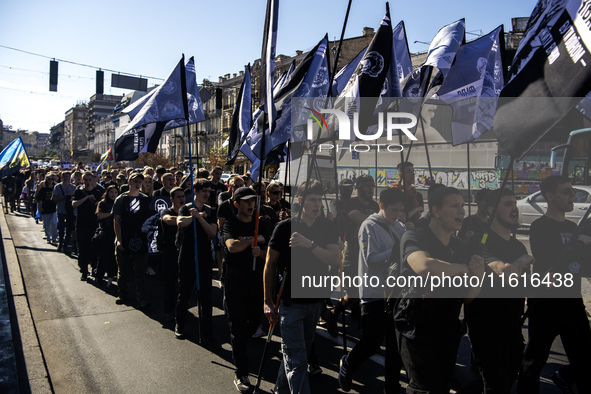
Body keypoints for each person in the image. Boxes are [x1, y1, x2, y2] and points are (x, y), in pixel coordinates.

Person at [394, 186, 484, 393]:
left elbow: (467, 299)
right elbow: (425, 267)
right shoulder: (415, 236)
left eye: (462, 206)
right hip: (416, 329)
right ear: (436, 211)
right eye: (454, 206)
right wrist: (462, 269)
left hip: (447, 330)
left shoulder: (460, 247)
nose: (462, 211)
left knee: (442, 386)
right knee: (425, 388)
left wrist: (478, 277)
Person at [264, 180, 339, 394]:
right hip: (290, 303)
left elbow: (335, 259)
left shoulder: (327, 226)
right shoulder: (285, 227)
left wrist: (310, 244)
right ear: (300, 201)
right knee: (297, 359)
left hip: (315, 300)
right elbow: (269, 266)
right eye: (312, 200)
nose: (317, 204)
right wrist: (267, 301)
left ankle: (280, 389)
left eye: (319, 199)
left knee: (297, 354)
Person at [518, 175, 591, 394]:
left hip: (572, 301)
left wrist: (584, 250)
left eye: (572, 191)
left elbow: (583, 267)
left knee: (586, 360)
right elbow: (552, 262)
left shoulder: (574, 227)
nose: (572, 195)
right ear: (550, 196)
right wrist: (578, 249)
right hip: (546, 302)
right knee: (534, 360)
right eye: (566, 191)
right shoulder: (540, 227)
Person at [338, 187, 406, 393]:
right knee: (372, 342)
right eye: (394, 210)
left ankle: (391, 388)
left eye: (401, 210)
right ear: (382, 206)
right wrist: (393, 252)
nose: (397, 214)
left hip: (394, 293)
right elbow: (371, 259)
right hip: (373, 293)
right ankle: (348, 364)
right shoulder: (369, 226)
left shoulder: (400, 226)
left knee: (395, 347)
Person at [465, 188, 533, 393]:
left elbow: (526, 284)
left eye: (515, 204)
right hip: (487, 329)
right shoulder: (481, 239)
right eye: (508, 204)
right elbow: (502, 272)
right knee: (495, 383)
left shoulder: (518, 246)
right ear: (492, 209)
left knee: (509, 376)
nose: (514, 209)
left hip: (512, 327)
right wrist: (523, 261)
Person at [222, 187, 268, 393]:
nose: (251, 204)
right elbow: (232, 246)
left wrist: (261, 252)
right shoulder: (231, 223)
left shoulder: (262, 222)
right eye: (247, 201)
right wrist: (252, 240)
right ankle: (242, 372)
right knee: (238, 329)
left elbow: (270, 254)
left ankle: (240, 345)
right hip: (234, 282)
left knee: (254, 323)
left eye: (253, 201)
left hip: (256, 282)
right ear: (236, 204)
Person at [175, 178, 219, 349]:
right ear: (196, 192)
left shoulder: (210, 211)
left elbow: (212, 232)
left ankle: (207, 333)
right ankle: (180, 324)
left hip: (204, 256)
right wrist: (192, 216)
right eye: (203, 191)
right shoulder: (186, 208)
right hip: (187, 255)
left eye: (209, 191)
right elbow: (180, 223)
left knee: (206, 297)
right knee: (184, 292)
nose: (207, 194)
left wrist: (200, 218)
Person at [334, 174, 380, 319]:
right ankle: (332, 314)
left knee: (365, 290)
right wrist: (377, 221)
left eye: (372, 186)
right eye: (368, 186)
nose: (371, 189)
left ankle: (357, 316)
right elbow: (360, 219)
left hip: (369, 250)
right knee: (352, 293)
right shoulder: (350, 204)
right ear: (359, 188)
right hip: (352, 250)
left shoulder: (374, 205)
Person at [112, 172, 151, 308]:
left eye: (140, 181)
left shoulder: (145, 199)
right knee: (123, 271)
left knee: (140, 270)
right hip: (124, 238)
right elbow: (116, 220)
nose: (138, 184)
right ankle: (122, 295)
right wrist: (119, 240)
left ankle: (142, 298)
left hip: (140, 239)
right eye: (135, 181)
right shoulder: (121, 199)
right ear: (129, 183)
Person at [72, 171, 104, 280]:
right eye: (86, 180)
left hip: (94, 224)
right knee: (82, 248)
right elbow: (74, 204)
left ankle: (94, 269)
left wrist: (98, 203)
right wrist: (86, 198)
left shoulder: (98, 191)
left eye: (90, 179)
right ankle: (84, 271)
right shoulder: (79, 191)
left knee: (94, 248)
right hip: (81, 223)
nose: (88, 182)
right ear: (82, 180)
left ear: (94, 180)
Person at [160, 187, 185, 322]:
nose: (181, 199)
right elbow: (168, 220)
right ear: (172, 199)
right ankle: (169, 310)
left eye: (183, 196)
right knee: (169, 284)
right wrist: (186, 219)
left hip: (183, 252)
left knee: (182, 284)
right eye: (178, 197)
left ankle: (180, 310)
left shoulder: (186, 212)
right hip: (169, 252)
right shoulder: (166, 211)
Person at [95, 185, 119, 288]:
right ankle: (99, 276)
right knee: (103, 256)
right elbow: (99, 216)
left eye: (115, 192)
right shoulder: (103, 203)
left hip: (116, 233)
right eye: (111, 192)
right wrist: (111, 213)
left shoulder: (119, 203)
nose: (113, 194)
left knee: (113, 259)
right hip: (106, 232)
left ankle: (110, 278)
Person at [52, 170, 76, 253]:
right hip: (61, 211)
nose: (66, 178)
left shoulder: (73, 188)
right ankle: (60, 243)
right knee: (61, 228)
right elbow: (55, 199)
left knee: (69, 229)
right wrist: (65, 196)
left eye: (68, 176)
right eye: (65, 176)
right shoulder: (58, 187)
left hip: (70, 212)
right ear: (62, 177)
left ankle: (65, 245)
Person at [37, 176, 58, 244]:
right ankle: (48, 237)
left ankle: (54, 238)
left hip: (54, 209)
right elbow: (40, 200)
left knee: (54, 223)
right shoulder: (43, 189)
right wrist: (40, 208)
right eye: (48, 179)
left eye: (51, 179)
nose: (50, 181)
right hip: (45, 208)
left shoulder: (55, 188)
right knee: (46, 224)